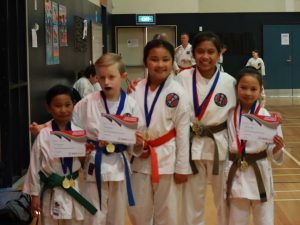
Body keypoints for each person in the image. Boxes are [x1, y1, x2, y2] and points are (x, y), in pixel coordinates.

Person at [72, 53, 144, 225]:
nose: (106, 82)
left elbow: (139, 135)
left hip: (119, 166)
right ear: (96, 78)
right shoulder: (86, 103)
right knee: (93, 216)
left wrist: (138, 142)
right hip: (94, 165)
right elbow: (74, 130)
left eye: (111, 77)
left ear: (123, 76)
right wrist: (82, 147)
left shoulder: (132, 104)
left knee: (117, 217)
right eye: (101, 77)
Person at [175, 31, 237, 225]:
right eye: (200, 51)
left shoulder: (230, 82)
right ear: (193, 54)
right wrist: (138, 86)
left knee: (225, 199)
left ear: (219, 54)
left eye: (211, 52)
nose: (205, 56)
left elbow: (244, 112)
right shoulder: (182, 78)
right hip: (191, 145)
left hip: (220, 145)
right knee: (191, 201)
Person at [127, 39, 191, 225]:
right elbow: (127, 123)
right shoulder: (135, 89)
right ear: (146, 61)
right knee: (137, 213)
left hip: (168, 162)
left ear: (173, 62)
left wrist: (182, 167)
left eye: (165, 59)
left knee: (168, 215)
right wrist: (134, 146)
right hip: (138, 159)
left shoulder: (178, 93)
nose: (160, 64)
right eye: (154, 59)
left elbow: (183, 133)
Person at [23, 84, 97, 225]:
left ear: (73, 105)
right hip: (51, 190)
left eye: (67, 104)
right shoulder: (43, 134)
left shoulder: (78, 133)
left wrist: (85, 153)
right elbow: (34, 166)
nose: (63, 110)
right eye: (57, 105)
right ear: (48, 107)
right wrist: (34, 195)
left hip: (73, 186)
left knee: (74, 221)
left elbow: (83, 165)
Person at [225, 66, 284, 225]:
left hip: (260, 171)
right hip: (236, 172)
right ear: (236, 88)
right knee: (236, 220)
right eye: (243, 87)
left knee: (264, 220)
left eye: (253, 89)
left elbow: (273, 152)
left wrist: (277, 148)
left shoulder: (267, 117)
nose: (248, 93)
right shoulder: (229, 114)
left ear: (260, 91)